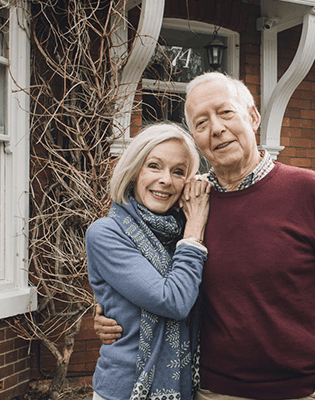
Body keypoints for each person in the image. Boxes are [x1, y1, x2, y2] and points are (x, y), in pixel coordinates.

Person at [96, 72, 315, 400]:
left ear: (253, 117)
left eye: (226, 112)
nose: (216, 128)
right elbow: (150, 273)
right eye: (201, 123)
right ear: (196, 140)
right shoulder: (189, 202)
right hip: (214, 391)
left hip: (303, 390)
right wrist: (108, 315)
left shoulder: (309, 190)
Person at [86, 122, 212, 400]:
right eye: (154, 166)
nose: (166, 180)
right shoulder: (106, 233)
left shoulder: (186, 226)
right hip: (123, 391)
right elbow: (173, 301)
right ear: (133, 172)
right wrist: (193, 233)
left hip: (188, 387)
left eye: (178, 171)